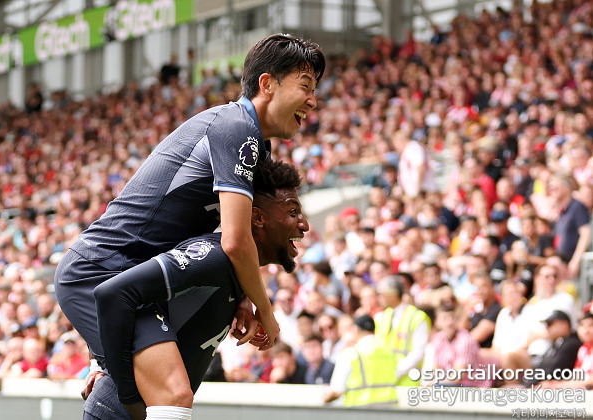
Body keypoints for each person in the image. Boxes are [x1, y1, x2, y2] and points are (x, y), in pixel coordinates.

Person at [54, 33, 324, 416]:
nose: (314, 100)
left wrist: (245, 296)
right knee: (171, 396)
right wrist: (266, 309)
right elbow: (234, 241)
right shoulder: (236, 127)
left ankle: (109, 369)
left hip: (131, 283)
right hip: (100, 272)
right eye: (306, 86)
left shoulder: (255, 143)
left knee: (162, 396)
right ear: (267, 83)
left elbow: (234, 235)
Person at [84, 160, 309, 419]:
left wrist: (246, 298)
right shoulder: (213, 258)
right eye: (293, 213)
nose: (304, 225)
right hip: (120, 413)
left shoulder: (237, 272)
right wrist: (109, 373)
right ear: (258, 218)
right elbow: (112, 291)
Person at [323, 314, 399, 406]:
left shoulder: (351, 354)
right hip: (390, 409)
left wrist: (322, 402)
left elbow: (337, 390)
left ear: (356, 329)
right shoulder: (389, 351)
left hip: (361, 410)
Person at [374, 275, 430, 386]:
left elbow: (418, 352)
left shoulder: (417, 317)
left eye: (382, 294)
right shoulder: (382, 317)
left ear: (394, 294)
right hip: (386, 379)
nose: (379, 298)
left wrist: (396, 372)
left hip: (408, 380)